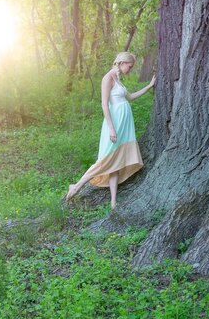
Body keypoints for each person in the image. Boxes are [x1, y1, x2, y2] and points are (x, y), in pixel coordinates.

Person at [65, 52, 156, 208]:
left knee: (115, 163)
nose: (130, 69)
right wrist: (112, 129)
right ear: (121, 62)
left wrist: (149, 86)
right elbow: (104, 104)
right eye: (130, 66)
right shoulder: (107, 78)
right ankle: (77, 186)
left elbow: (131, 97)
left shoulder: (119, 81)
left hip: (124, 126)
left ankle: (113, 202)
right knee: (105, 161)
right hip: (114, 125)